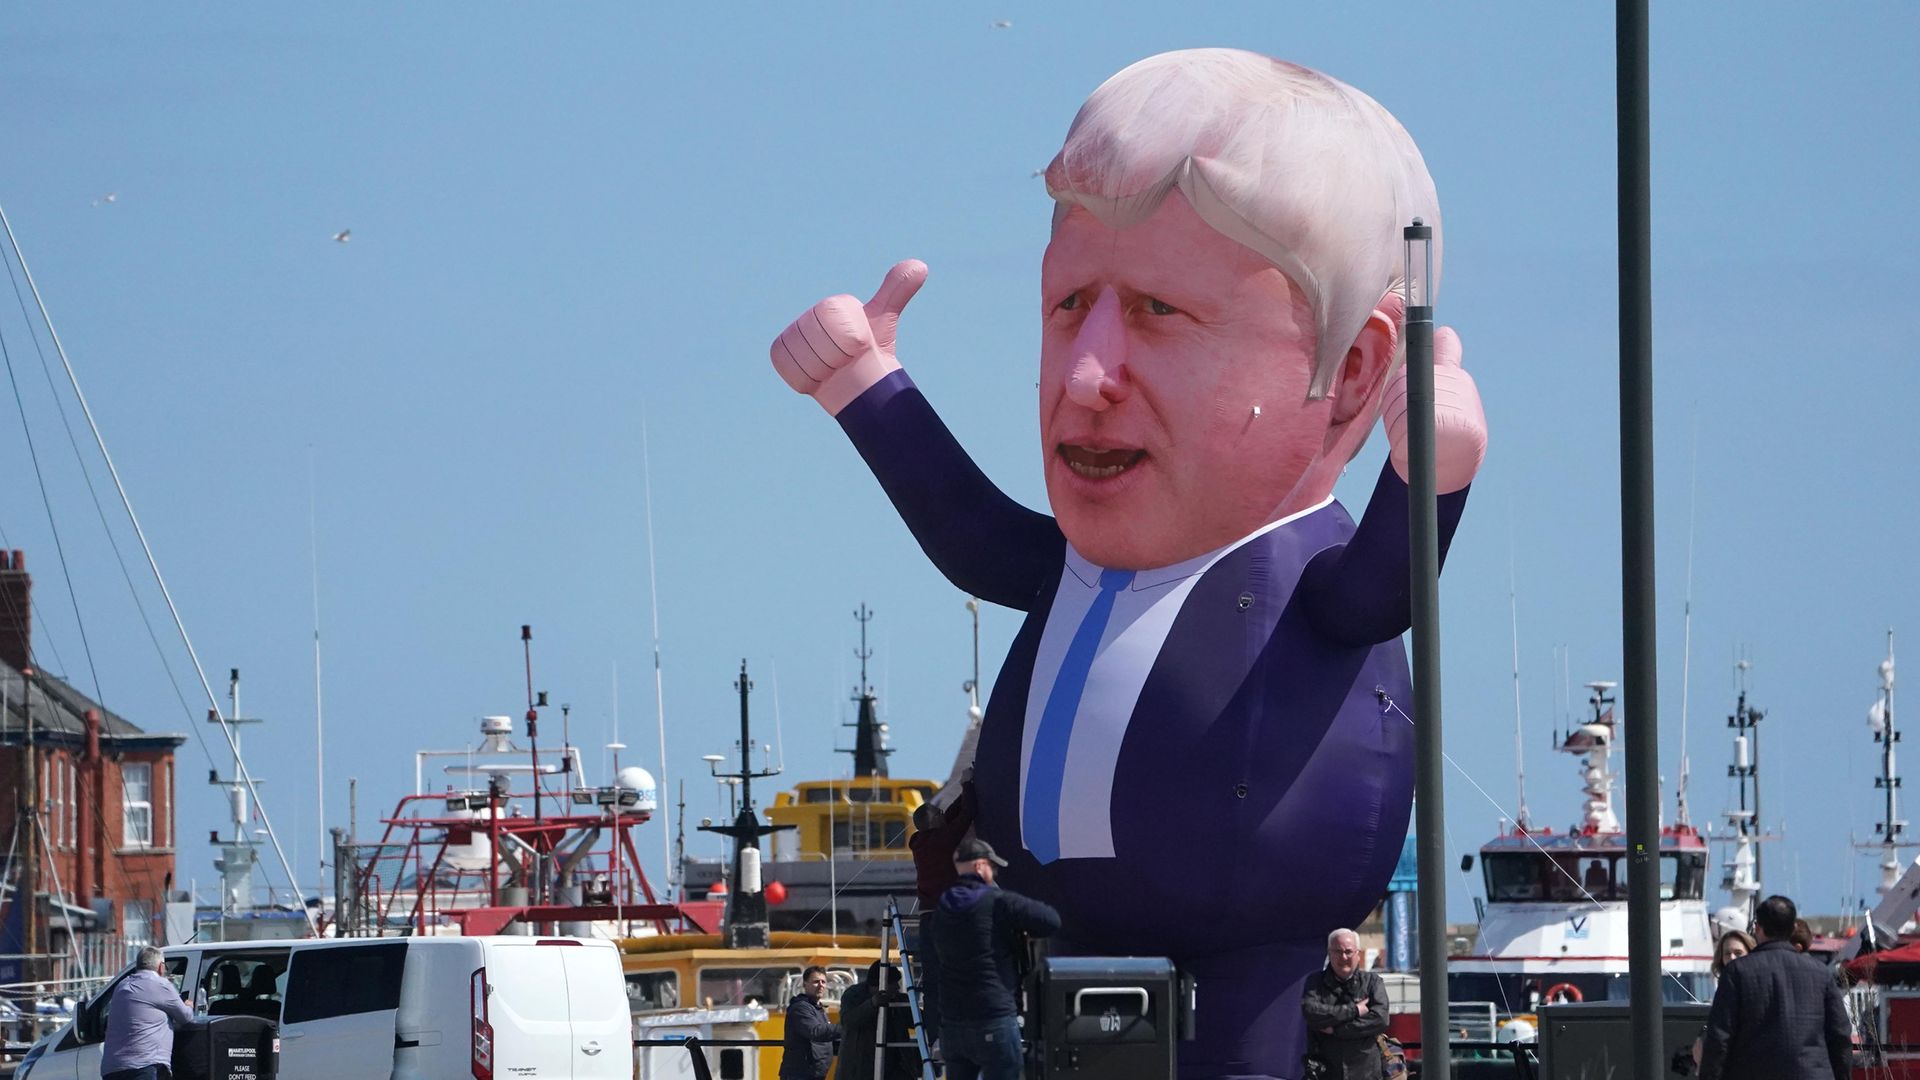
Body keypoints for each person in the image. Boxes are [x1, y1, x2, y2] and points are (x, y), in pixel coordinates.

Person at [770, 47, 1484, 1080]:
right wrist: (862, 387)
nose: (1090, 375)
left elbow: (1386, 591)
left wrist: (1432, 480)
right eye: (1070, 309)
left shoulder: (1299, 578)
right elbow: (969, 534)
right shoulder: (1069, 566)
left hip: (1246, 954)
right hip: (1063, 944)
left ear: (1357, 369)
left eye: (1159, 312)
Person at [928, 838, 1061, 1080]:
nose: (995, 872)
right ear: (980, 867)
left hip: (952, 1024)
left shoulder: (943, 908)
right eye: (993, 867)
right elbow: (1051, 920)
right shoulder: (998, 902)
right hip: (992, 1016)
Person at [1698, 895, 1849, 1080]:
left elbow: (1720, 1037)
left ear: (1758, 929)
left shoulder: (1737, 972)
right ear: (1793, 927)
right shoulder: (1820, 973)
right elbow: (1839, 1035)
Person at [1300, 929, 1390, 1080]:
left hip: (1366, 1073)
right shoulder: (1315, 982)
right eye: (1338, 951)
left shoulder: (1372, 982)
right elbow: (1311, 1012)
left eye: (1348, 951)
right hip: (1327, 1072)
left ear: (1357, 954)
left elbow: (1380, 1019)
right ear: (1329, 954)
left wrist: (1337, 1030)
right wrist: (1354, 1010)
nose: (1343, 957)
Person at [102, 946, 193, 1080]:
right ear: (161, 967)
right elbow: (185, 1017)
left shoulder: (121, 986)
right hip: (144, 1067)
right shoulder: (161, 985)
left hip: (113, 1069)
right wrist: (188, 1005)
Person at [835, 962, 917, 1080]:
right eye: (894, 983)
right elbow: (848, 1021)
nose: (897, 987)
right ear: (881, 984)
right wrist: (872, 1004)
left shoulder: (899, 1000)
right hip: (860, 1068)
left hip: (893, 1068)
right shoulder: (854, 996)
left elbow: (917, 1019)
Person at [778, 966, 840, 1080]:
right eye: (816, 982)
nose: (821, 985)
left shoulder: (818, 1009)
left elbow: (829, 1038)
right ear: (805, 984)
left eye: (823, 982)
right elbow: (815, 1031)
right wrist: (844, 1028)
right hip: (799, 1074)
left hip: (813, 1074)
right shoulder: (800, 1008)